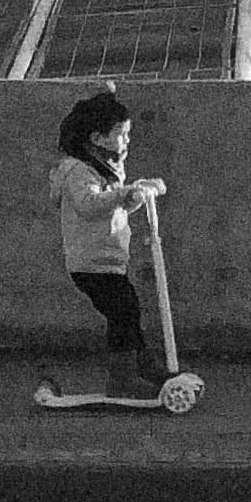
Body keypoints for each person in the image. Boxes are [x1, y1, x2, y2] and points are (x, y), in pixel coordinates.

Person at [50, 88, 167, 401]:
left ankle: (143, 365)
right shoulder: (78, 171)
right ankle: (123, 377)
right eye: (121, 134)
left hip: (109, 259)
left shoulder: (107, 166)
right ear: (98, 138)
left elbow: (115, 209)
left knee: (128, 310)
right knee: (123, 311)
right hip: (90, 262)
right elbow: (89, 205)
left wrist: (134, 195)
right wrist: (123, 192)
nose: (127, 141)